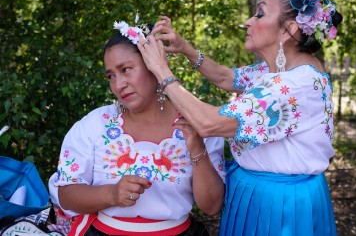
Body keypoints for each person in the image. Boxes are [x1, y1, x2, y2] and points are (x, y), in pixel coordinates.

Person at [137, 0, 342, 236]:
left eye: (260, 13)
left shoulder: (294, 85)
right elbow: (227, 77)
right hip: (256, 192)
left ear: (288, 29)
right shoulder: (277, 71)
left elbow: (209, 123)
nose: (248, 21)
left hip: (279, 205)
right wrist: (187, 49)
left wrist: (160, 69)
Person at [48, 21, 226, 236]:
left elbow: (212, 206)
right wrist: (112, 194)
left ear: (154, 64)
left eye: (126, 69)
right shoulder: (95, 124)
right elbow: (67, 194)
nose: (118, 84)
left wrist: (197, 148)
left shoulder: (197, 122)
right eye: (111, 76)